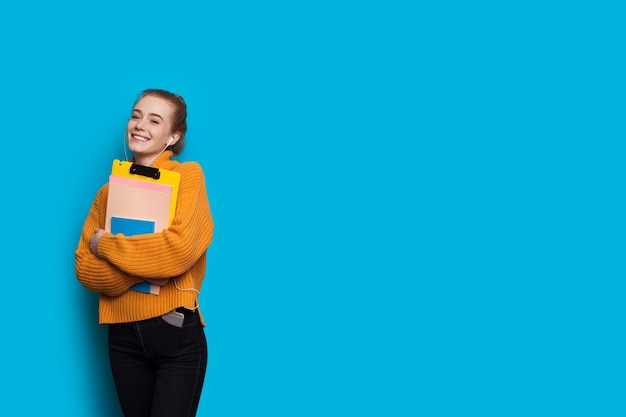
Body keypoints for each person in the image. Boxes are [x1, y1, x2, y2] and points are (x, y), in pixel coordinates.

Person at [75, 88, 214, 417]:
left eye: (154, 120)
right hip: (121, 338)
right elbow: (84, 269)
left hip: (174, 332)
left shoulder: (186, 177)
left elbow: (178, 252)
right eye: (136, 115)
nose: (140, 125)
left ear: (173, 135)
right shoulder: (107, 192)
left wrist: (105, 245)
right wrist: (150, 265)